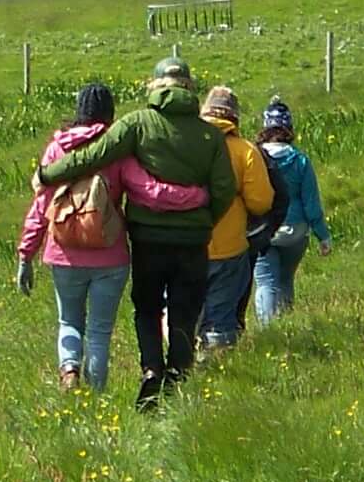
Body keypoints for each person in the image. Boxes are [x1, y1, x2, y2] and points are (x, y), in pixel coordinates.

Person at [37, 56, 234, 406]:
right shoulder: (210, 135)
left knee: (147, 307)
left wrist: (49, 173)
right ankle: (178, 374)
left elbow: (93, 156)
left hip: (148, 237)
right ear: (190, 88)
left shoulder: (138, 123)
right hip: (193, 240)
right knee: (185, 310)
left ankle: (151, 370)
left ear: (155, 87)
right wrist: (204, 220)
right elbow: (224, 190)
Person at [195, 83, 276, 351]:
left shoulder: (185, 144)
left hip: (187, 243)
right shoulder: (245, 150)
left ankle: (182, 366)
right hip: (229, 247)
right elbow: (261, 202)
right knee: (220, 316)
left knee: (184, 312)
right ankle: (217, 368)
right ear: (234, 116)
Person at [250, 96, 331, 321]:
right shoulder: (300, 161)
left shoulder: (254, 158)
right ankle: (286, 325)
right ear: (289, 128)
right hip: (295, 231)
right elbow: (311, 203)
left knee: (266, 281)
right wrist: (323, 236)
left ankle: (268, 331)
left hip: (262, 230)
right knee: (286, 279)